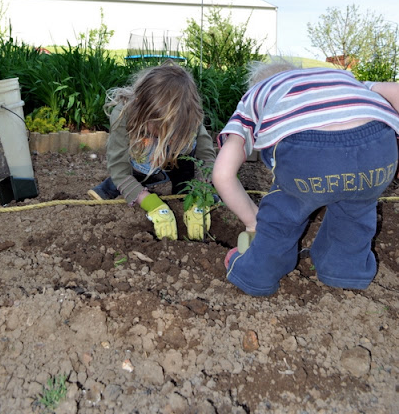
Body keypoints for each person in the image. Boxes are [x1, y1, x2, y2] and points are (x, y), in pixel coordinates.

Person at [212, 58, 399, 296]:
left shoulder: (255, 98)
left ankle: (257, 273)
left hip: (309, 155)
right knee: (356, 210)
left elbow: (222, 174)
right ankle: (345, 270)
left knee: (284, 213)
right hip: (378, 149)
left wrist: (253, 222)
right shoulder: (343, 79)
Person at [88, 61, 216, 240]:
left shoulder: (189, 114)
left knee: (187, 148)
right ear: (143, 111)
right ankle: (115, 186)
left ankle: (182, 190)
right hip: (140, 160)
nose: (167, 137)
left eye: (173, 132)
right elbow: (118, 167)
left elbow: (206, 156)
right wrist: (151, 203)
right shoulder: (123, 114)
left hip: (175, 159)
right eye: (160, 129)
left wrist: (202, 193)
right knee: (139, 161)